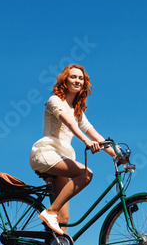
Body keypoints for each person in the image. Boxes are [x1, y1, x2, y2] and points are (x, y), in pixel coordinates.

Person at [29, 64, 125, 235]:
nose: (77, 80)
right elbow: (69, 123)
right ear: (64, 80)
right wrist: (85, 141)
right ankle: (49, 213)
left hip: (62, 159)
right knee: (86, 174)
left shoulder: (78, 112)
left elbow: (97, 136)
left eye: (81, 78)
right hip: (46, 154)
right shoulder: (55, 101)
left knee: (64, 218)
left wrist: (116, 155)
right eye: (73, 77)